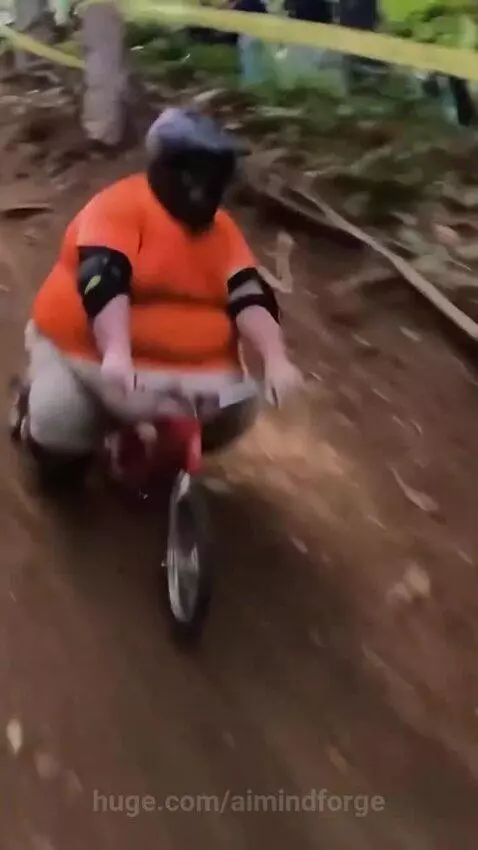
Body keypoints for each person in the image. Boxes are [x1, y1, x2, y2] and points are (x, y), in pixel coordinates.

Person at [19, 107, 301, 490]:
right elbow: (103, 279)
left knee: (240, 404)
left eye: (214, 176)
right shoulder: (119, 207)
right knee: (60, 423)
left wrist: (275, 357)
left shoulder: (222, 231)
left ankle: (150, 450)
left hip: (191, 382)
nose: (204, 188)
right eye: (196, 174)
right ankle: (43, 430)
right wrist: (116, 350)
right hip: (91, 362)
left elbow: (249, 294)